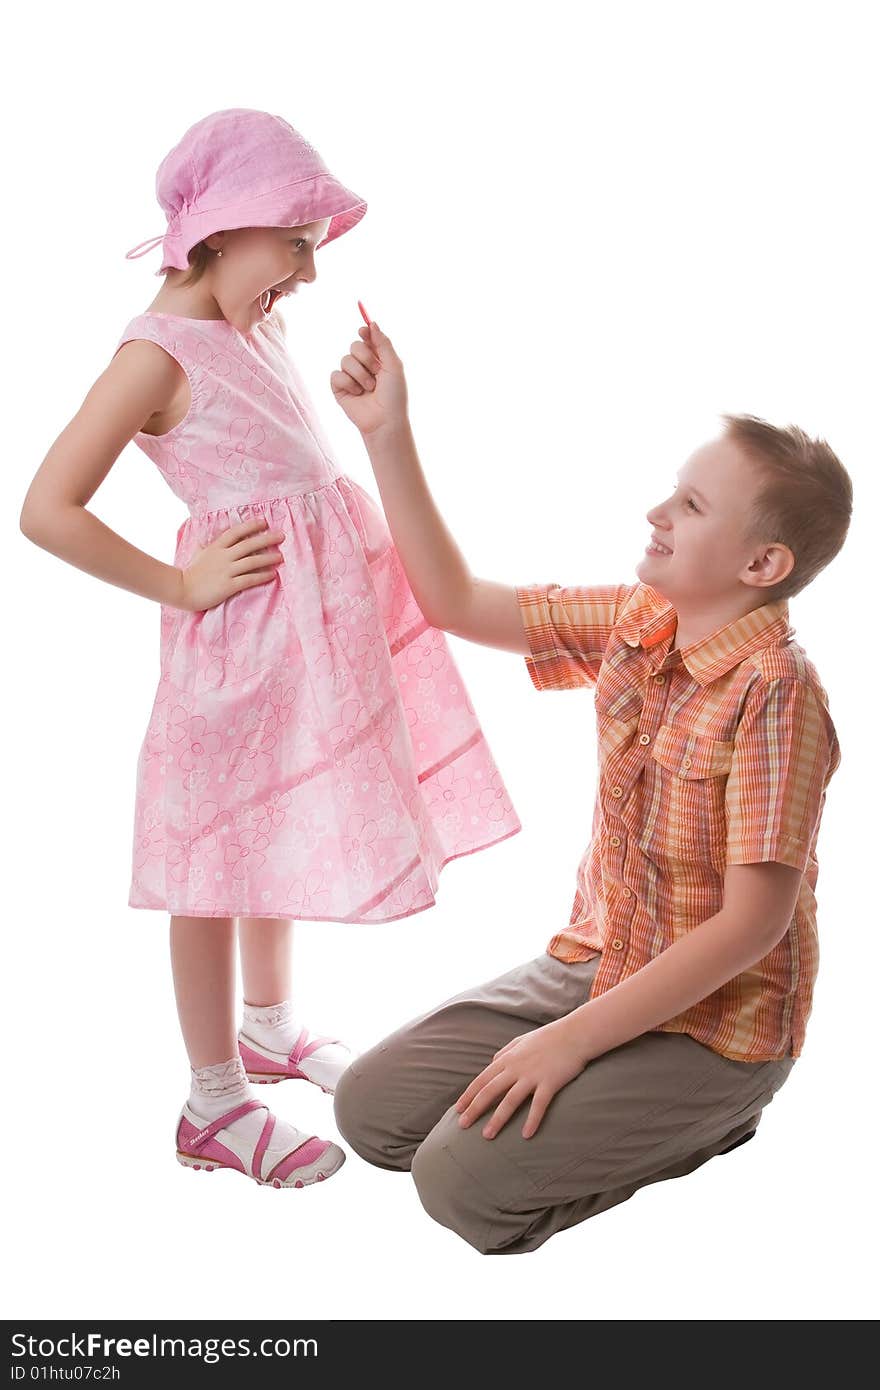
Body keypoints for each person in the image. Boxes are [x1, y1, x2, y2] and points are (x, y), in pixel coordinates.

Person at [18, 109, 519, 1193]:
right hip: (238, 644)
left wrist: (367, 418)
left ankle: (270, 1025)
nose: (307, 264)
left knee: (275, 824)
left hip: (312, 634)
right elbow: (46, 509)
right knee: (213, 856)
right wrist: (178, 581)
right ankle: (212, 1101)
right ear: (217, 230)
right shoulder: (154, 355)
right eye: (292, 239)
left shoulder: (257, 329)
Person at [329, 320, 850, 1252]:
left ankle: (714, 1119)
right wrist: (386, 432)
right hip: (597, 964)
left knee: (461, 1190)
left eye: (690, 505)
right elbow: (455, 600)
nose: (657, 511)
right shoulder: (641, 621)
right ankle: (592, 1080)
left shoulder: (778, 691)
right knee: (373, 1115)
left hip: (717, 1026)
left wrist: (569, 1044)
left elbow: (753, 925)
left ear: (761, 567)